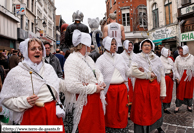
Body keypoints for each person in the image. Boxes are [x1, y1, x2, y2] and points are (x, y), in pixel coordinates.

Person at [0, 38, 66, 132]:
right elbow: (5, 99)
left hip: (53, 114)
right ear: (26, 52)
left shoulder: (49, 68)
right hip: (32, 116)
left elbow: (58, 84)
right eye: (33, 49)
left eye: (39, 48)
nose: (37, 51)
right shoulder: (16, 72)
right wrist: (24, 102)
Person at [64, 29, 106, 133]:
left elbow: (98, 73)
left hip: (95, 101)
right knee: (87, 128)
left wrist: (100, 82)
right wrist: (93, 87)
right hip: (84, 103)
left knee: (97, 128)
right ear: (83, 44)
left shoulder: (88, 58)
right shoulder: (72, 59)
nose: (91, 45)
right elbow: (71, 85)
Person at [130, 39, 166, 133]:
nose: (146, 47)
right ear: (141, 47)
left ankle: (153, 128)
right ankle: (141, 130)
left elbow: (161, 75)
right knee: (141, 110)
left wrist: (163, 92)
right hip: (141, 87)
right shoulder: (137, 58)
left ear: (152, 47)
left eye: (148, 45)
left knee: (153, 109)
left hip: (154, 88)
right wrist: (148, 74)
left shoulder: (156, 59)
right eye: (145, 45)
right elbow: (133, 72)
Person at [96, 36, 130, 133]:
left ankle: (123, 129)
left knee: (122, 111)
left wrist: (136, 70)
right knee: (110, 113)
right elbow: (98, 73)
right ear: (106, 45)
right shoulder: (101, 59)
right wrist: (100, 81)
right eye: (112, 44)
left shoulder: (120, 57)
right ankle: (110, 130)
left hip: (122, 89)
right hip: (109, 90)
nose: (114, 46)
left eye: (115, 44)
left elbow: (127, 71)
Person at [174, 45, 194, 113]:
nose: (180, 53)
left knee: (189, 91)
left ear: (186, 51)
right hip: (180, 77)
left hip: (190, 78)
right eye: (179, 51)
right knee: (179, 91)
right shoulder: (178, 58)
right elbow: (175, 68)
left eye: (181, 52)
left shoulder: (192, 57)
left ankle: (189, 105)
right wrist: (177, 77)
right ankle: (177, 106)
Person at [121, 40, 136, 119]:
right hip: (126, 78)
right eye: (129, 45)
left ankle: (132, 111)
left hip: (133, 78)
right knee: (126, 96)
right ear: (125, 46)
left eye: (131, 45)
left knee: (133, 95)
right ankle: (127, 111)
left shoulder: (135, 56)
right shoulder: (121, 56)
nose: (130, 47)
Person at [160, 47, 175, 114]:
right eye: (168, 51)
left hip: (170, 78)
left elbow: (173, 67)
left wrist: (173, 74)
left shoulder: (170, 59)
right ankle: (161, 107)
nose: (169, 53)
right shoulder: (160, 60)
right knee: (163, 92)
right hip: (164, 78)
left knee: (169, 93)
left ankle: (166, 108)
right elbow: (163, 69)